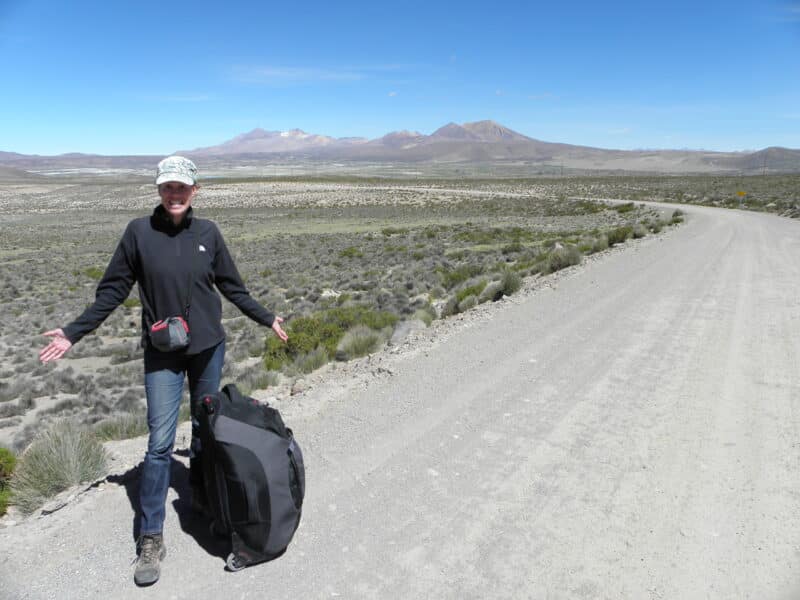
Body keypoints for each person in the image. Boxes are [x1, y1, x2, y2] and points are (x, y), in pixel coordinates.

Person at [38, 156, 288, 586]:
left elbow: (232, 286)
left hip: (207, 347)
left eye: (182, 187)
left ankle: (206, 502)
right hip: (163, 353)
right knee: (159, 443)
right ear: (158, 190)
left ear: (195, 190)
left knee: (206, 428)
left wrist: (266, 317)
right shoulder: (138, 233)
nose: (175, 194)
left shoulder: (208, 233)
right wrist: (74, 332)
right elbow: (112, 291)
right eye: (168, 187)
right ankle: (151, 536)